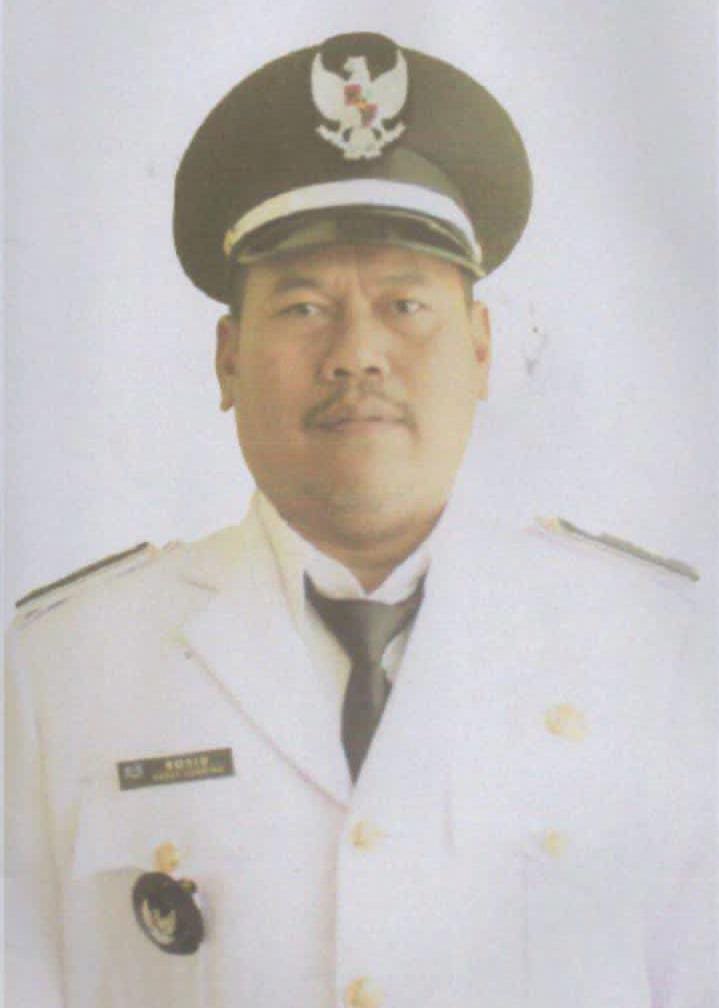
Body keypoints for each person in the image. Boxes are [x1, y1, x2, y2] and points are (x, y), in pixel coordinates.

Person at [5, 31, 714, 1008]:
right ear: (227, 357)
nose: (356, 354)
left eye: (404, 305)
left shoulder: (652, 651)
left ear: (480, 349)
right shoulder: (65, 670)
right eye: (302, 308)